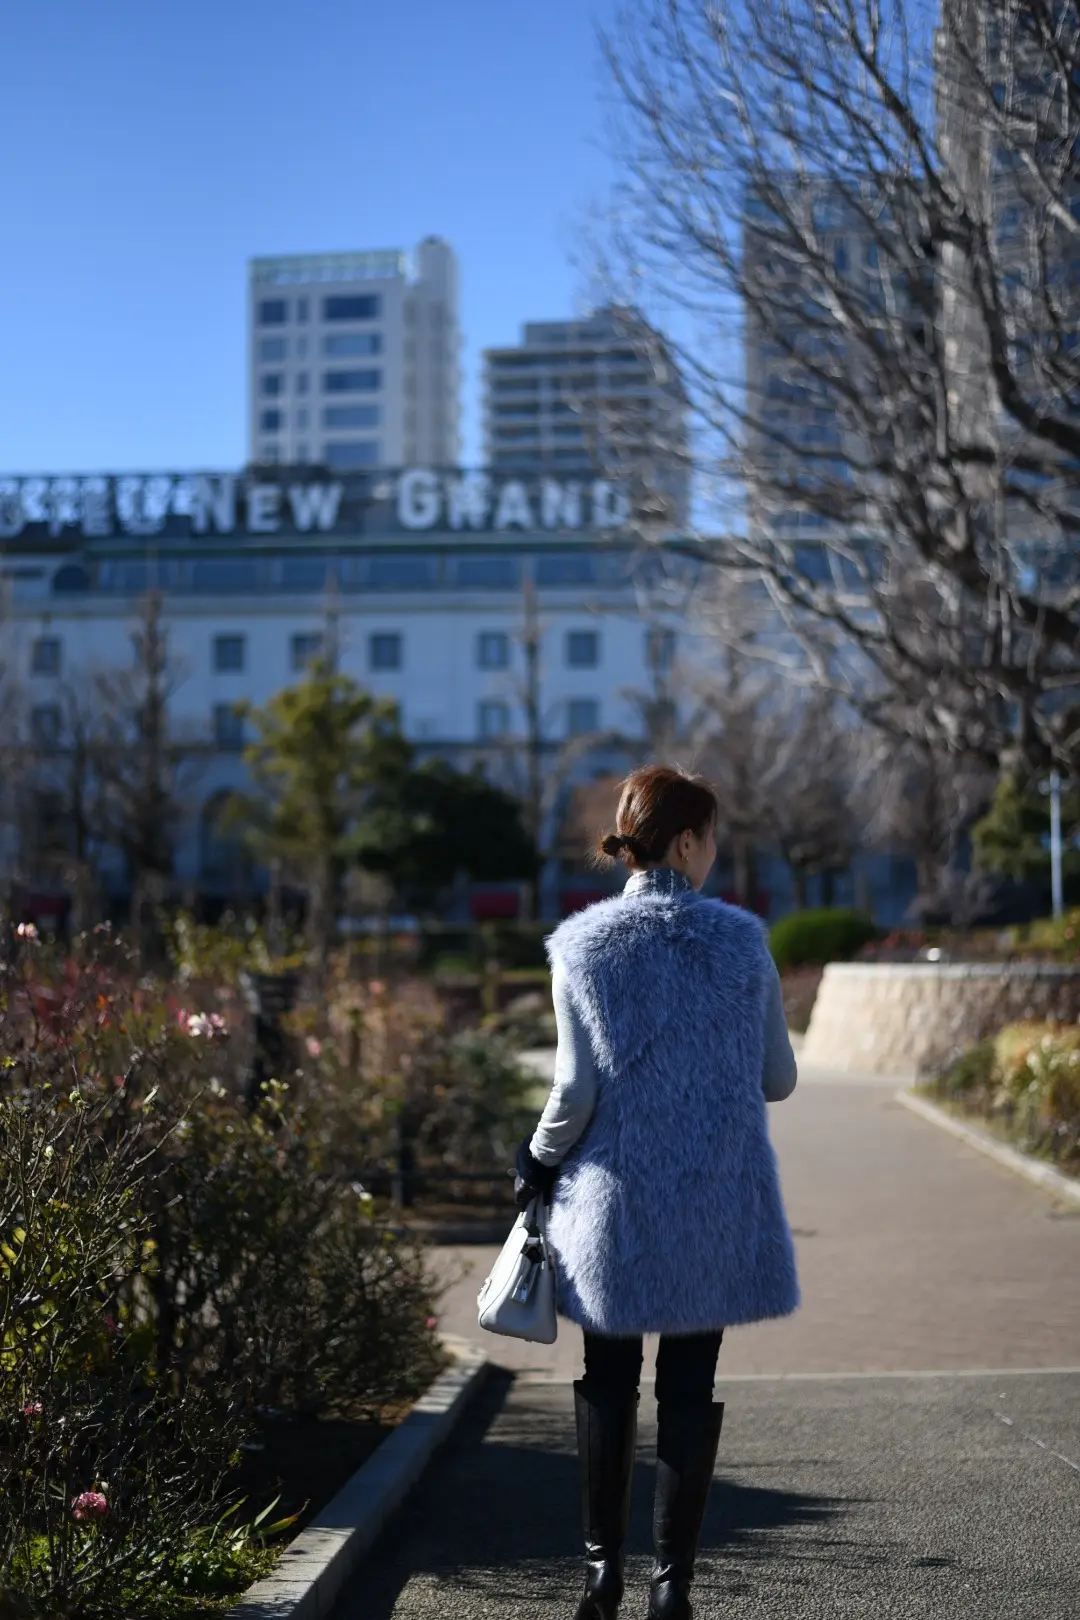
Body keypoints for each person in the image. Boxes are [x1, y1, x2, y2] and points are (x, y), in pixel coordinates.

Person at [514, 764, 799, 1620]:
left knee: (608, 1377)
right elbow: (777, 1079)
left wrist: (534, 1160)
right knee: (689, 1384)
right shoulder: (742, 943)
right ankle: (671, 1586)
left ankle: (601, 1573)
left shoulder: (583, 947)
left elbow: (572, 1092)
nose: (714, 853)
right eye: (711, 837)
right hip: (712, 1200)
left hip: (616, 1206)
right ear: (685, 840)